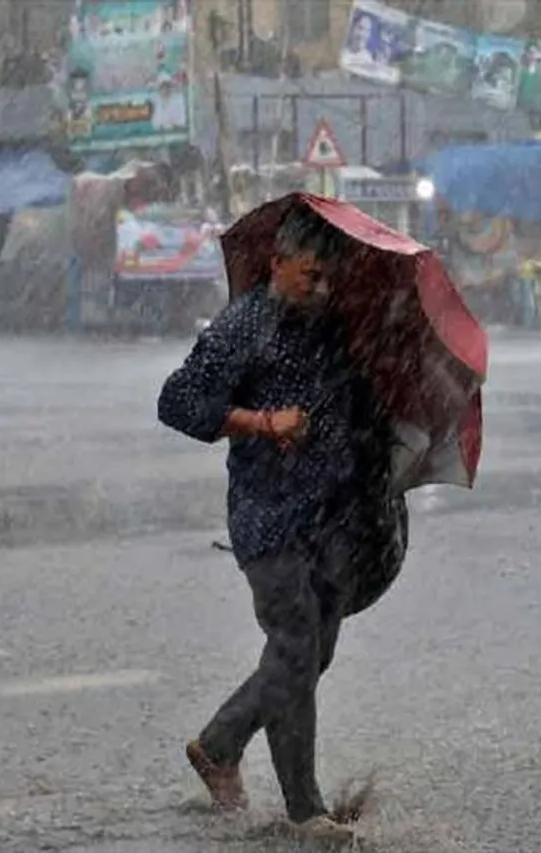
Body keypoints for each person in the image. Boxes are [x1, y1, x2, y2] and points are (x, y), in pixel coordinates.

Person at [157, 209, 407, 844]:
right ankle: (303, 808)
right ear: (277, 264)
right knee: (296, 649)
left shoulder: (329, 325)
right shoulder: (244, 325)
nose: (320, 290)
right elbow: (179, 402)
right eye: (309, 277)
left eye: (330, 280)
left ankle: (222, 744)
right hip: (269, 520)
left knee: (312, 653)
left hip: (328, 520)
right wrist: (265, 423)